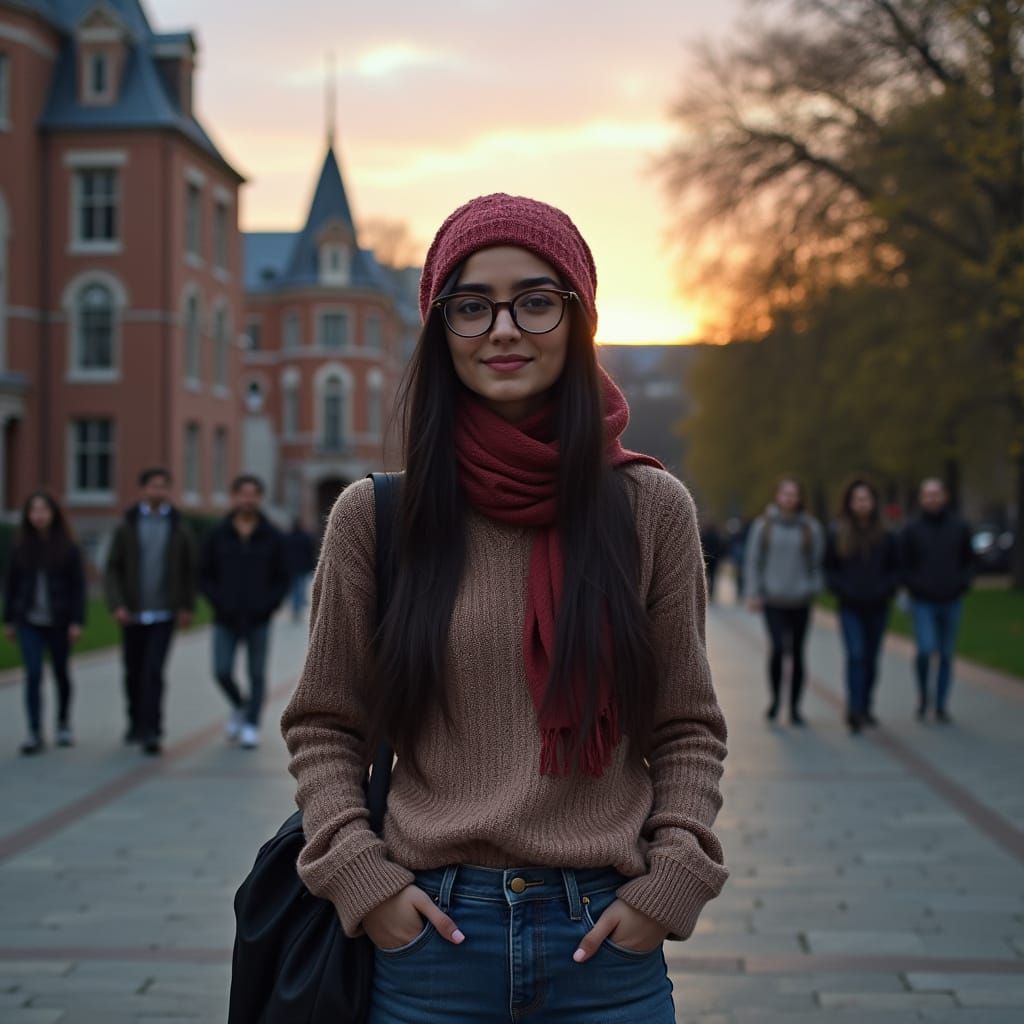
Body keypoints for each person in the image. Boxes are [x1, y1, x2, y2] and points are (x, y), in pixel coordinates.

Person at [279, 194, 728, 1023]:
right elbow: (324, 725)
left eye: (535, 300)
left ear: (578, 317)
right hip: (430, 947)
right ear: (439, 328)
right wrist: (363, 882)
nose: (503, 329)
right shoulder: (377, 518)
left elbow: (687, 727)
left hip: (606, 941)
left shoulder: (649, 508)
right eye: (472, 306)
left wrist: (673, 884)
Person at [104, 468, 196, 755]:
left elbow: (189, 569)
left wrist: (185, 605)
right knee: (133, 671)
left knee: (154, 671)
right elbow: (112, 568)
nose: (159, 491)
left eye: (163, 487)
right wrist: (117, 604)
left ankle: (153, 730)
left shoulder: (178, 526)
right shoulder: (127, 525)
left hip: (164, 613)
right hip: (132, 612)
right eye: (153, 486)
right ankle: (135, 721)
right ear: (143, 490)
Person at [200, 474, 289, 749]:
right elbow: (204, 574)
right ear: (234, 497)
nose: (248, 499)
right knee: (221, 670)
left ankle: (251, 724)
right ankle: (239, 705)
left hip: (258, 618)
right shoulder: (218, 533)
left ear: (259, 498)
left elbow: (282, 577)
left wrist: (268, 605)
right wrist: (218, 601)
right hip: (225, 617)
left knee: (257, 674)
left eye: (253, 494)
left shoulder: (272, 535)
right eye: (243, 494)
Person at [3, 492, 86, 754]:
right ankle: (34, 731)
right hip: (29, 621)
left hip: (60, 621)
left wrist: (76, 620)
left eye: (43, 510)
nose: (38, 515)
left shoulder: (68, 548)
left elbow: (78, 587)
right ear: (28, 516)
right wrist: (9, 620)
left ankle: (63, 723)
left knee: (61, 673)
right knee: (34, 674)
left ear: (53, 514)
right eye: (34, 511)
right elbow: (11, 586)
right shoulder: (20, 548)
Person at [744, 478, 824, 725]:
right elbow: (753, 560)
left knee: (798, 653)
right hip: (773, 600)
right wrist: (754, 592)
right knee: (778, 649)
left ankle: (795, 707)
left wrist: (813, 587)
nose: (789, 498)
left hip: (800, 600)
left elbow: (817, 562)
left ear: (800, 498)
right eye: (785, 494)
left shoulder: (810, 527)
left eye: (794, 494)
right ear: (777, 496)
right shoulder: (763, 526)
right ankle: (776, 700)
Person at [824, 478, 900, 733]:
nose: (862, 504)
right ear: (849, 502)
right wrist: (842, 588)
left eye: (866, 499)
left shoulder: (886, 534)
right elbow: (829, 568)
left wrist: (886, 588)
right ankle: (855, 710)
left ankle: (867, 705)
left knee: (871, 657)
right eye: (857, 499)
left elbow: (895, 568)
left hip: (878, 605)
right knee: (856, 655)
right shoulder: (838, 532)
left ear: (873, 502)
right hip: (850, 605)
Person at [900, 478, 974, 723]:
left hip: (951, 599)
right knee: (925, 649)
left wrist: (963, 583)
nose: (932, 499)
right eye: (928, 495)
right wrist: (914, 585)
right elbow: (904, 564)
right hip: (923, 600)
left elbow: (968, 560)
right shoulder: (912, 529)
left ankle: (941, 704)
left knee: (945, 653)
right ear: (921, 498)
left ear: (945, 496)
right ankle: (924, 695)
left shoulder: (959, 527)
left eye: (936, 494)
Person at [283, 517, 318, 623]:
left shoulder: (288, 537)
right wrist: (312, 565)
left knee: (294, 588)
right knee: (301, 587)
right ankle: (298, 607)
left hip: (292, 567)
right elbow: (310, 552)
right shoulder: (305, 537)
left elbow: (285, 553)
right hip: (303, 566)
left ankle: (295, 608)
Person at [700, 520, 724, 602]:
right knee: (713, 576)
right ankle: (711, 593)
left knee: (706, 576)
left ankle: (706, 592)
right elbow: (720, 547)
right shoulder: (717, 536)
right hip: (715, 559)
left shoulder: (704, 536)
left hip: (706, 558)